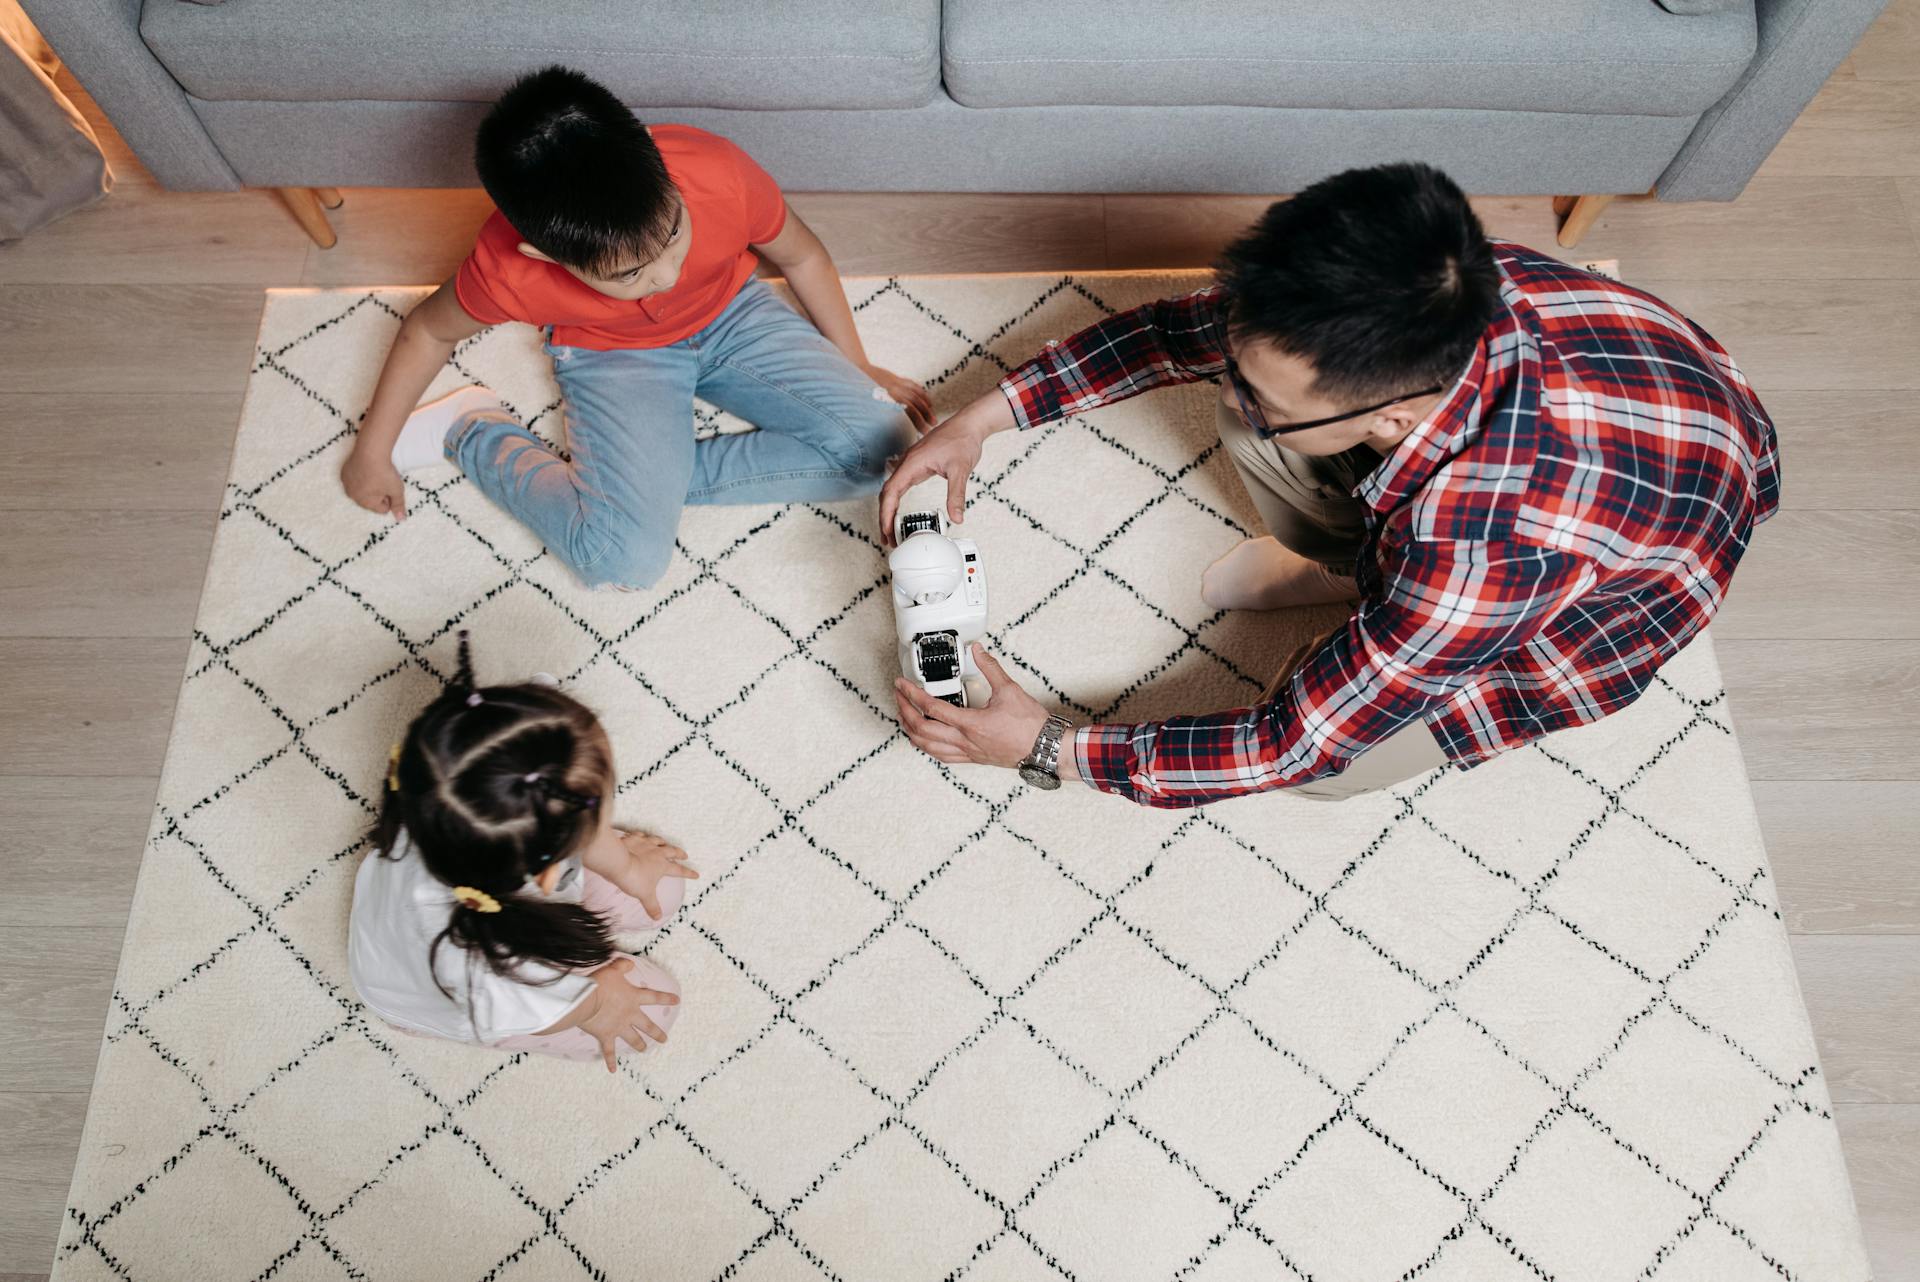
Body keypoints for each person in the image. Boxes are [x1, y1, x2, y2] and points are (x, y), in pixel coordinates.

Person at [879, 162, 1779, 806]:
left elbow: (1288, 744)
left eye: (1261, 390)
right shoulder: (1430, 283)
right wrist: (982, 418)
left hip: (1575, 617)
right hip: (1644, 417)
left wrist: (1048, 750)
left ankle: (1369, 583)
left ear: (1392, 417)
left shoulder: (1484, 561)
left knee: (1332, 771)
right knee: (1254, 419)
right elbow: (1180, 337)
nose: (1228, 388)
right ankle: (1356, 566)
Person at [340, 65, 931, 589]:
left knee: (886, 448)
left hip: (733, 314)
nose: (668, 275)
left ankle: (632, 493)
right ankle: (469, 431)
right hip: (614, 356)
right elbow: (428, 330)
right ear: (546, 256)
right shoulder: (509, 270)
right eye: (629, 273)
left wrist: (858, 365)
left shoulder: (715, 168)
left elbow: (803, 257)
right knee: (621, 561)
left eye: (674, 233)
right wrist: (373, 449)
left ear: (655, 154)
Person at [349, 636, 699, 1070]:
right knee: (655, 1006)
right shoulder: (488, 983)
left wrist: (626, 866)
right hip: (435, 992)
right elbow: (541, 1011)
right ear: (550, 874)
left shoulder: (443, 784)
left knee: (660, 890)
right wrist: (597, 1002)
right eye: (598, 810)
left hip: (472, 899)